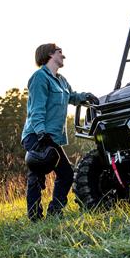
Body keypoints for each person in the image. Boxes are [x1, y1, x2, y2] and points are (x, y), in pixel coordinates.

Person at [21, 43, 99, 221]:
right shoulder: (40, 77)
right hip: (36, 134)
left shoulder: (61, 80)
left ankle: (55, 212)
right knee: (37, 176)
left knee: (66, 174)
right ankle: (34, 217)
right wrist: (41, 133)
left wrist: (86, 96)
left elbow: (71, 96)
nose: (63, 56)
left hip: (52, 136)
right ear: (49, 54)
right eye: (60, 52)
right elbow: (36, 109)